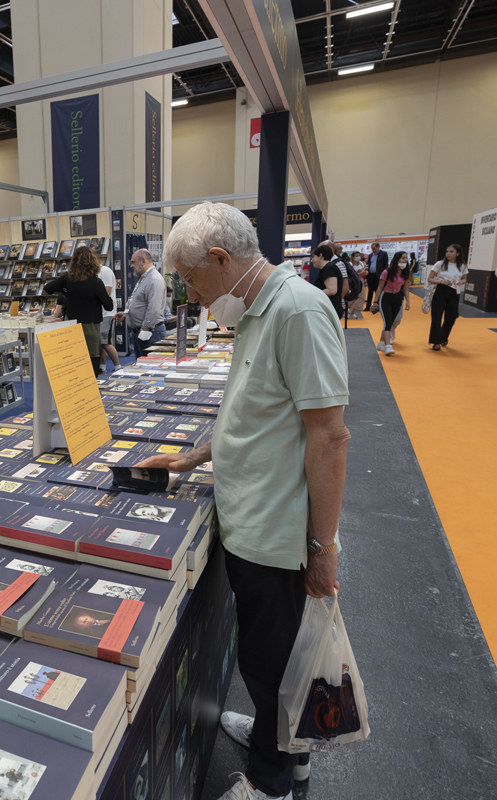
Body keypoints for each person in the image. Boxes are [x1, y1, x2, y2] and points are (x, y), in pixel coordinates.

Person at [134, 202, 349, 800]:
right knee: (267, 658)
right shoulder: (255, 312)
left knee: (276, 665)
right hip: (253, 525)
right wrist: (188, 459)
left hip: (282, 537)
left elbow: (329, 436)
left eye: (190, 278)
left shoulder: (298, 311)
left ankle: (267, 782)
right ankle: (280, 746)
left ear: (222, 260)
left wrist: (323, 548)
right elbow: (250, 416)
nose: (190, 293)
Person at [45, 246, 113, 376]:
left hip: (71, 324)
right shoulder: (96, 282)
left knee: (73, 359)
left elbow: (48, 288)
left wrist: (64, 292)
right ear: (93, 262)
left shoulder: (67, 279)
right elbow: (109, 306)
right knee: (92, 358)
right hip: (90, 326)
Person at [114, 249, 167, 356]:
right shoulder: (144, 278)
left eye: (133, 262)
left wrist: (144, 329)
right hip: (142, 332)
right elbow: (142, 303)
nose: (131, 265)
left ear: (143, 261)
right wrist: (127, 314)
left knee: (151, 368)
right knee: (141, 367)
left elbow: (154, 309)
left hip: (151, 333)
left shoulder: (154, 279)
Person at [370, 250, 410, 355]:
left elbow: (405, 288)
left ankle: (381, 342)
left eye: (406, 258)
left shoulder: (405, 273)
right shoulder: (386, 272)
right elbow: (379, 288)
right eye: (403, 258)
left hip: (397, 298)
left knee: (392, 321)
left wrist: (407, 301)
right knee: (387, 322)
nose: (405, 260)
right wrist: (375, 302)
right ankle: (388, 346)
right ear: (397, 260)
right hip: (385, 298)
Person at [426, 245, 466, 351]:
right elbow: (430, 278)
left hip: (455, 291)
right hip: (441, 291)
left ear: (458, 253)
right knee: (436, 316)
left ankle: (443, 337)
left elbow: (465, 279)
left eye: (451, 251)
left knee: (452, 317)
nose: (448, 253)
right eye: (447, 251)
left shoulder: (462, 266)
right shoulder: (440, 264)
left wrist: (461, 282)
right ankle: (436, 342)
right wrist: (441, 281)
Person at [310, 244, 348, 321]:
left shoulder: (329, 268)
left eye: (313, 257)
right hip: (331, 308)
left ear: (320, 256)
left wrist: (312, 294)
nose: (312, 260)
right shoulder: (329, 267)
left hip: (330, 309)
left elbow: (332, 290)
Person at [97, 257, 121, 374]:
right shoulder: (95, 273)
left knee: (105, 342)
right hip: (98, 313)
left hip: (107, 313)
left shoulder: (105, 271)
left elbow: (106, 293)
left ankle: (118, 367)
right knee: (100, 342)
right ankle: (102, 366)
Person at [364, 243, 387, 308]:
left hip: (379, 276)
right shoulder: (370, 255)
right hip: (370, 275)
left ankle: (379, 306)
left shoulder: (383, 254)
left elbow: (385, 265)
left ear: (378, 247)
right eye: (372, 249)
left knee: (378, 291)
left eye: (374, 248)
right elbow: (369, 264)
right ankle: (368, 306)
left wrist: (384, 275)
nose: (373, 250)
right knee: (370, 291)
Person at [347, 252, 368, 319]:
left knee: (362, 296)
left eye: (359, 256)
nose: (358, 257)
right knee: (352, 297)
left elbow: (366, 271)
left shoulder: (362, 263)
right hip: (352, 281)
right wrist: (359, 274)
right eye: (356, 256)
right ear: (352, 257)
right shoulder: (349, 264)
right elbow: (349, 275)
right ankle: (351, 313)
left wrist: (365, 273)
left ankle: (350, 310)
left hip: (360, 281)